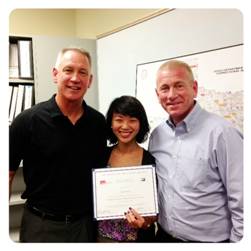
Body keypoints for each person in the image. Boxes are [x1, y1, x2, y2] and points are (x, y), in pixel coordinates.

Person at [126, 59, 243, 242]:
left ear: (194, 88)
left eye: (179, 86)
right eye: (164, 88)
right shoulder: (157, 136)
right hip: (164, 237)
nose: (171, 95)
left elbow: (242, 199)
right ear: (158, 95)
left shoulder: (223, 134)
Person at [9, 47, 107, 242]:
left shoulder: (98, 122)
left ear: (90, 81)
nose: (75, 78)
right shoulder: (27, 121)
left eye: (83, 72)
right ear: (55, 74)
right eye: (68, 70)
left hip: (84, 225)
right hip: (40, 225)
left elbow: (102, 173)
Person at [97, 95, 156, 242]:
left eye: (132, 120)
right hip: (103, 239)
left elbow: (155, 209)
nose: (125, 126)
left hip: (137, 239)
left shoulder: (150, 160)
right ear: (111, 123)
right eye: (119, 119)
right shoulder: (101, 156)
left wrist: (146, 221)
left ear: (140, 124)